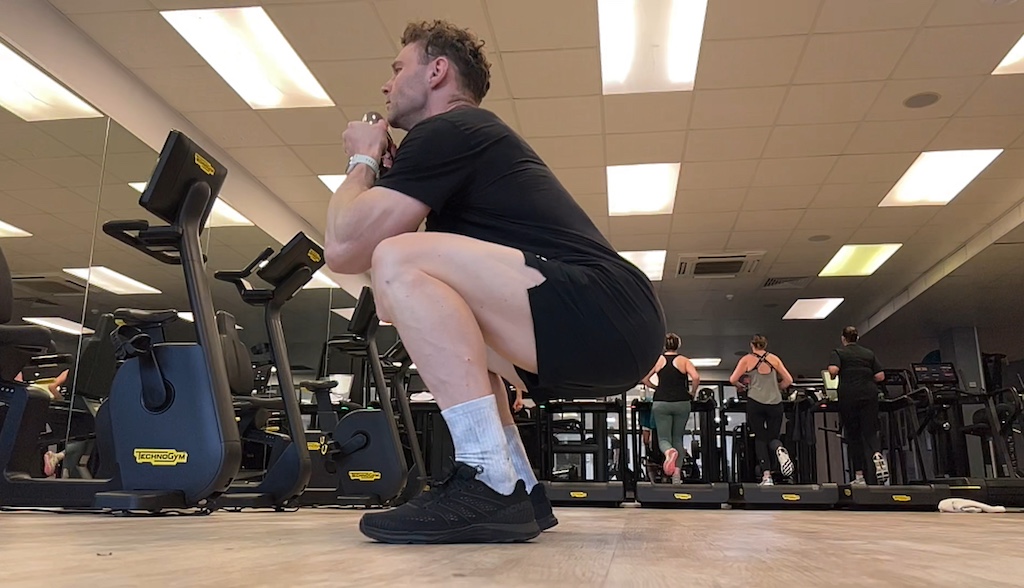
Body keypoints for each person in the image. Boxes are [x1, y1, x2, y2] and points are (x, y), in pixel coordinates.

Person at [324, 20, 664, 544]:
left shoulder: (451, 129)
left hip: (606, 307)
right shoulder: (459, 142)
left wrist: (362, 159)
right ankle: (520, 489)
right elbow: (396, 297)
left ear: (437, 71)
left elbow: (345, 248)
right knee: (431, 303)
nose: (387, 86)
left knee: (396, 257)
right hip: (609, 329)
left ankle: (485, 477)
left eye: (398, 69)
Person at [729, 334, 794, 486]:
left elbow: (732, 379)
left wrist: (742, 386)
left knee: (760, 438)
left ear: (752, 345)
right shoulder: (774, 359)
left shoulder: (746, 359)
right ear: (765, 345)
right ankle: (779, 449)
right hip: (775, 403)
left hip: (756, 402)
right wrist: (777, 388)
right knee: (773, 437)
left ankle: (766, 476)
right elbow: (789, 380)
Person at [828, 326, 888, 486]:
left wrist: (835, 372)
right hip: (869, 395)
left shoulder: (839, 352)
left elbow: (833, 370)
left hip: (849, 396)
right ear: (857, 337)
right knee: (870, 432)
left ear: (843, 338)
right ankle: (877, 455)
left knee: (853, 436)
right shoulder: (868, 353)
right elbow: (880, 376)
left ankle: (859, 475)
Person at [641, 333, 699, 484]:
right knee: (678, 439)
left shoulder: (658, 360)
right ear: (678, 345)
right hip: (682, 402)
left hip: (661, 402)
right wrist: (692, 393)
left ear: (664, 345)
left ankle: (668, 452)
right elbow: (696, 377)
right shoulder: (684, 360)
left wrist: (656, 387)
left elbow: (645, 379)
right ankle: (677, 476)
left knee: (664, 439)